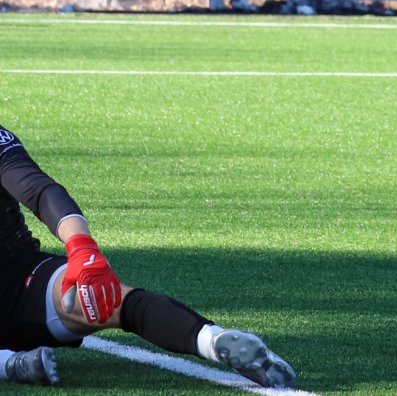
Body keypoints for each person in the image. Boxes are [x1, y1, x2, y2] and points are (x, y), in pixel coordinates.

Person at [0, 124, 295, 388]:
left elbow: (39, 191)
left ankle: (215, 342)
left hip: (18, 275)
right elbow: (41, 191)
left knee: (98, 298)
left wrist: (82, 249)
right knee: (112, 304)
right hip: (17, 280)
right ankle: (10, 365)